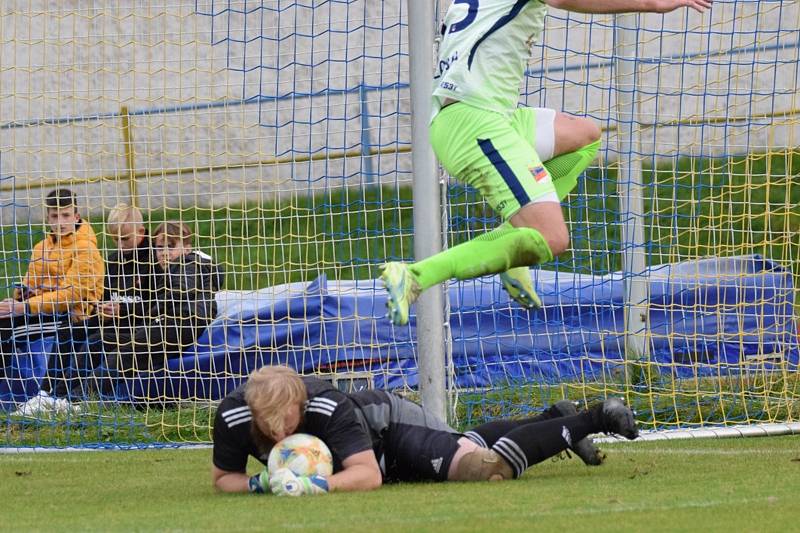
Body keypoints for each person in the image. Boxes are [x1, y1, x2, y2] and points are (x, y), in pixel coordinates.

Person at [380, 0, 713, 325]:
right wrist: (651, 4)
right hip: (476, 124)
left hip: (492, 116)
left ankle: (514, 245)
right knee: (553, 237)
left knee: (585, 135)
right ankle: (415, 276)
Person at [212, 365, 638, 496]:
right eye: (268, 425)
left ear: (299, 404)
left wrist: (310, 487)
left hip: (390, 430)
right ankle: (553, 418)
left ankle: (595, 417)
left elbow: (367, 475)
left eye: (287, 421)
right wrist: (262, 482)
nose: (280, 431)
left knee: (483, 467)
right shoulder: (232, 417)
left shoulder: (326, 406)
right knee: (465, 445)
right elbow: (221, 479)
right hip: (370, 452)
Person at [89, 220, 224, 402]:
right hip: (168, 319)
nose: (164, 253)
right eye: (160, 248)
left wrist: (152, 312)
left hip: (184, 321)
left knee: (125, 355)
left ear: (187, 248)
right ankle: (59, 394)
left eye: (170, 246)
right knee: (102, 340)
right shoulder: (169, 270)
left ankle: (77, 399)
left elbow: (180, 291)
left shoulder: (190, 263)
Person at [1, 189, 104, 414]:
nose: (61, 222)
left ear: (76, 216)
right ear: (48, 218)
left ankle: (44, 396)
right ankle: (9, 395)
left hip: (75, 317)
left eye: (66, 216)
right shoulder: (41, 247)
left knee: (10, 329)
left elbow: (69, 297)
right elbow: (31, 285)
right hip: (42, 311)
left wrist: (25, 305)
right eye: (55, 216)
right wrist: (19, 297)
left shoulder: (86, 248)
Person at [46, 203, 159, 404]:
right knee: (68, 331)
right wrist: (101, 308)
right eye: (115, 239)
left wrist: (124, 310)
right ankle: (45, 393)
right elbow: (105, 296)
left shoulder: (157, 257)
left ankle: (66, 397)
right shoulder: (115, 260)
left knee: (96, 341)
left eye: (125, 239)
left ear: (141, 231)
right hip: (114, 319)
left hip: (141, 323)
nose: (120, 245)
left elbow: (159, 304)